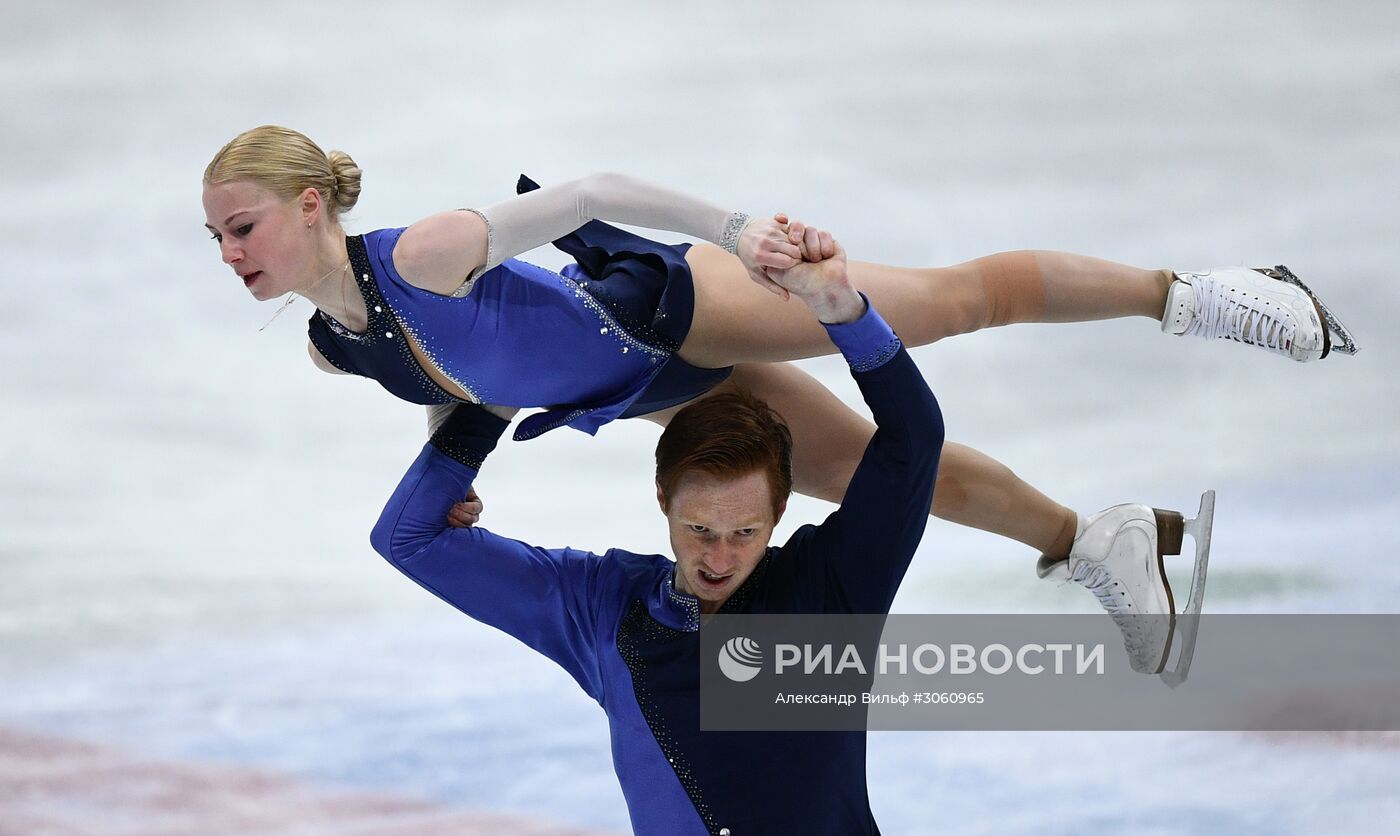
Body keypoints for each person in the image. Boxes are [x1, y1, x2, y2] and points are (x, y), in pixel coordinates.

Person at [202, 125, 1347, 664]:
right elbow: (472, 387)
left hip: (672, 308)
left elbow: (588, 188)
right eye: (216, 236)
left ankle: (1200, 294)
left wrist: (738, 231)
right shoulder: (336, 346)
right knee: (878, 472)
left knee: (943, 305)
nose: (230, 250)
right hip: (648, 388)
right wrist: (455, 473)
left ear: (311, 208)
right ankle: (1088, 537)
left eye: (241, 225)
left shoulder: (419, 255)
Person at [371, 237, 941, 834]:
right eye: (699, 528)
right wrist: (492, 401)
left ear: (779, 511)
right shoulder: (605, 609)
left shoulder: (831, 587)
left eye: (744, 531)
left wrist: (841, 309)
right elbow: (409, 539)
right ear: (663, 499)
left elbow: (915, 439)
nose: (719, 557)